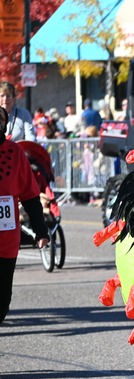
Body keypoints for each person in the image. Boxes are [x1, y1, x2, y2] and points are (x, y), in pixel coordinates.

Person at [0, 106, 49, 324]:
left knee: (2, 301)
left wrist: (40, 231)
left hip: (6, 239)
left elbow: (30, 195)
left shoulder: (14, 152)